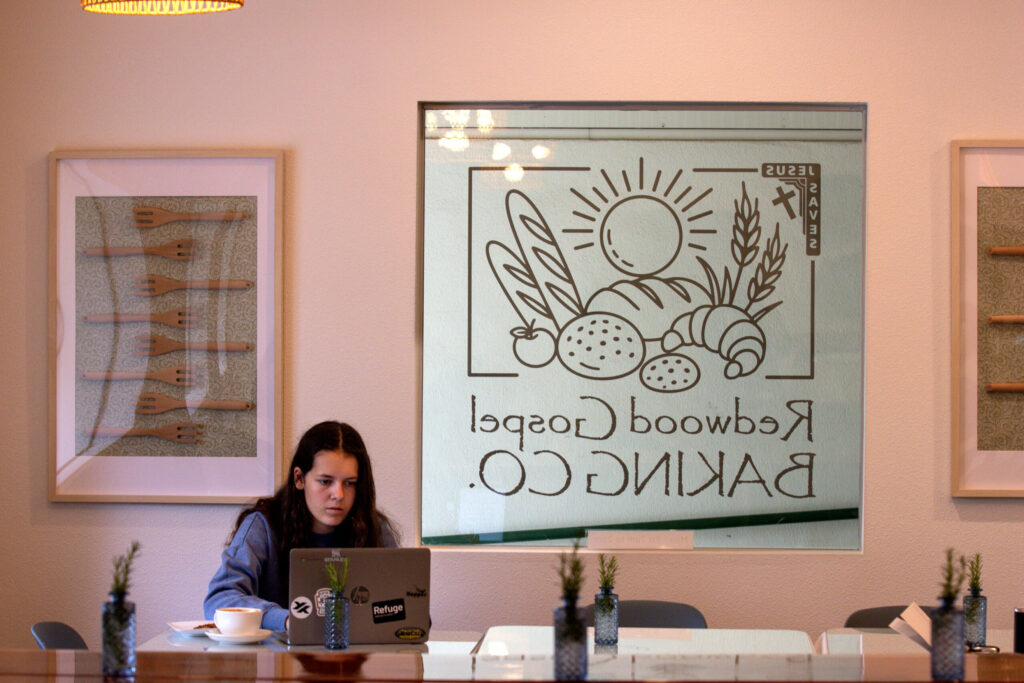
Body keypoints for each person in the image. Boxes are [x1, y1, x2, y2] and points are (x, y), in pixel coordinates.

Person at [203, 421, 398, 631]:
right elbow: (220, 600)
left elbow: (409, 606)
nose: (338, 495)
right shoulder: (264, 525)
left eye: (349, 483)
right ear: (299, 479)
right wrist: (288, 620)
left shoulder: (373, 526)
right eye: (325, 481)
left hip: (355, 657)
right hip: (275, 658)